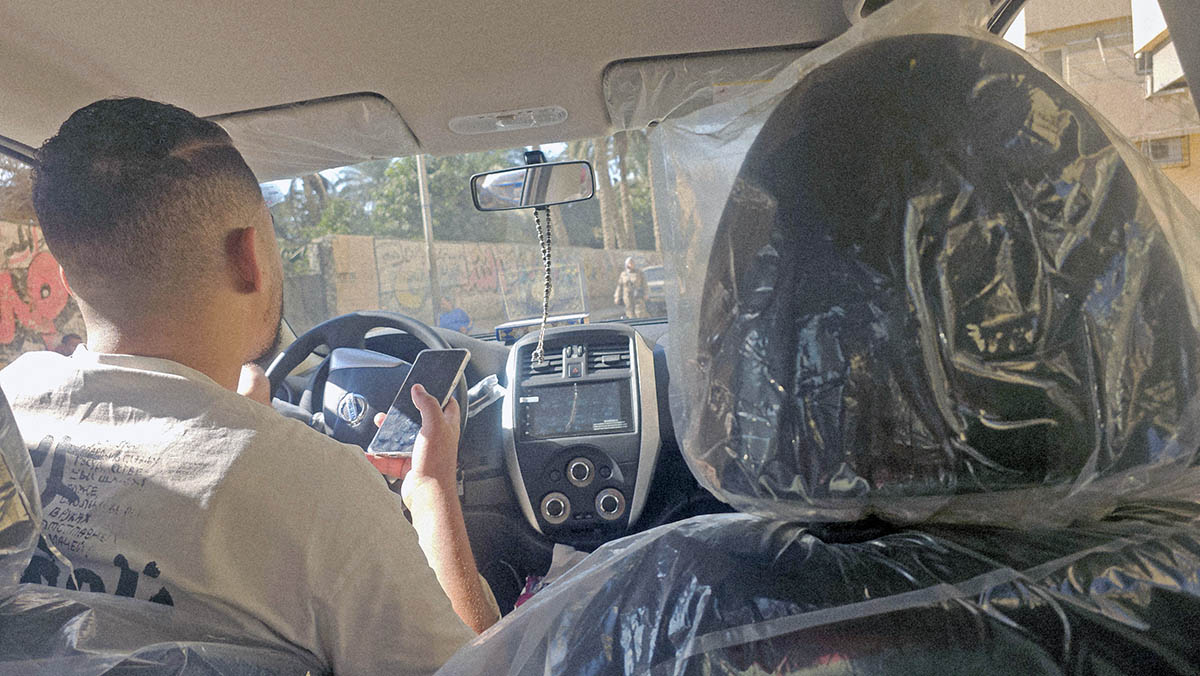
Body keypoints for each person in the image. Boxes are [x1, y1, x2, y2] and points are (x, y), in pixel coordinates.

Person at [0, 97, 497, 674]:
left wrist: (241, 424)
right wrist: (432, 495)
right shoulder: (315, 488)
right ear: (250, 255)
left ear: (66, 273)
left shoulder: (11, 406)